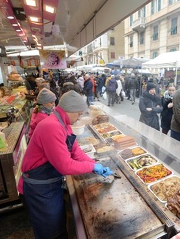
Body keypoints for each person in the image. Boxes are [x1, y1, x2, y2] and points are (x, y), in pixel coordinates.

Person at [18, 90, 113, 238]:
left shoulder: (64, 124)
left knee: (58, 226)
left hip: (50, 184)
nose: (80, 117)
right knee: (50, 233)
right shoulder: (51, 126)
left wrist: (95, 164)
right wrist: (92, 167)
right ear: (69, 110)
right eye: (79, 114)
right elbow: (65, 166)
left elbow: (76, 152)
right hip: (39, 189)